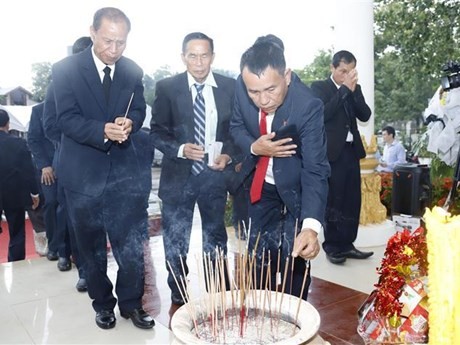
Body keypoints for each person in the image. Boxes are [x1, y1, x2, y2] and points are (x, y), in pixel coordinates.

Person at [51, 7, 154, 330]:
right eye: (108, 41)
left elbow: (137, 108)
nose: (114, 50)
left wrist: (131, 121)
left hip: (125, 175)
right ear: (93, 32)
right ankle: (103, 304)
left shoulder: (132, 70)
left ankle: (130, 303)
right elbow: (65, 119)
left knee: (130, 246)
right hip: (82, 176)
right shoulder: (65, 69)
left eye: (121, 43)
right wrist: (102, 130)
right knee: (91, 247)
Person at [230, 36, 330, 301]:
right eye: (254, 92)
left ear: (287, 75)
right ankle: (262, 318)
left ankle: (292, 320)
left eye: (270, 90)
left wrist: (310, 227)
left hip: (296, 188)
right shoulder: (242, 86)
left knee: (293, 258)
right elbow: (236, 127)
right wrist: (255, 147)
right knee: (259, 257)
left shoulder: (307, 106)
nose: (262, 100)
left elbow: (315, 168)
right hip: (262, 184)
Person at [150, 32, 236, 306]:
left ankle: (219, 289)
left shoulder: (230, 87)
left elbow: (237, 131)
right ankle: (178, 289)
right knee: (175, 239)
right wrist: (180, 149)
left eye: (204, 55)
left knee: (215, 236)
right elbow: (156, 133)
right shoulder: (167, 87)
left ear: (213, 56)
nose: (199, 63)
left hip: (213, 176)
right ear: (183, 57)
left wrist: (229, 155)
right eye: (192, 56)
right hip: (178, 178)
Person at [311, 50, 374, 265]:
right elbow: (323, 114)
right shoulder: (320, 88)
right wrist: (345, 90)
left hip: (351, 151)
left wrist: (353, 92)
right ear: (333, 68)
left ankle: (348, 244)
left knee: (351, 199)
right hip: (331, 153)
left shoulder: (355, 89)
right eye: (342, 71)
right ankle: (333, 246)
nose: (347, 75)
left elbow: (365, 115)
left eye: (350, 71)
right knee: (334, 200)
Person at [43, 36, 93, 292]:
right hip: (71, 161)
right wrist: (71, 144)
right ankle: (80, 267)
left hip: (104, 162)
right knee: (73, 215)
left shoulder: (109, 81)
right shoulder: (58, 85)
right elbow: (50, 124)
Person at [28, 102, 72, 269]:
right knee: (53, 203)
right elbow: (33, 139)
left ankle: (72, 247)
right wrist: (44, 165)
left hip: (71, 164)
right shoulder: (38, 110)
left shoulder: (71, 105)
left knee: (72, 207)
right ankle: (55, 247)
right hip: (49, 169)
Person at [0, 109, 40, 261]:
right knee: (17, 232)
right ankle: (15, 264)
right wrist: (34, 193)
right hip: (14, 194)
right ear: (8, 124)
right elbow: (29, 170)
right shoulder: (18, 143)